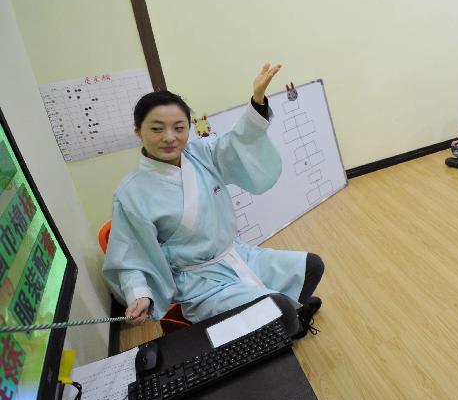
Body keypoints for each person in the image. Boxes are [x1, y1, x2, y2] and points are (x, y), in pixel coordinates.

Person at [103, 63, 324, 337]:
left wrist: (256, 101)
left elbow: (238, 141)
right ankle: (286, 319)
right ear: (138, 132)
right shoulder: (131, 193)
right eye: (157, 129)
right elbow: (131, 255)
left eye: (179, 127)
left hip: (238, 257)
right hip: (200, 284)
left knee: (312, 265)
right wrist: (139, 294)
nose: (170, 138)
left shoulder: (201, 153)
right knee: (280, 311)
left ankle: (286, 314)